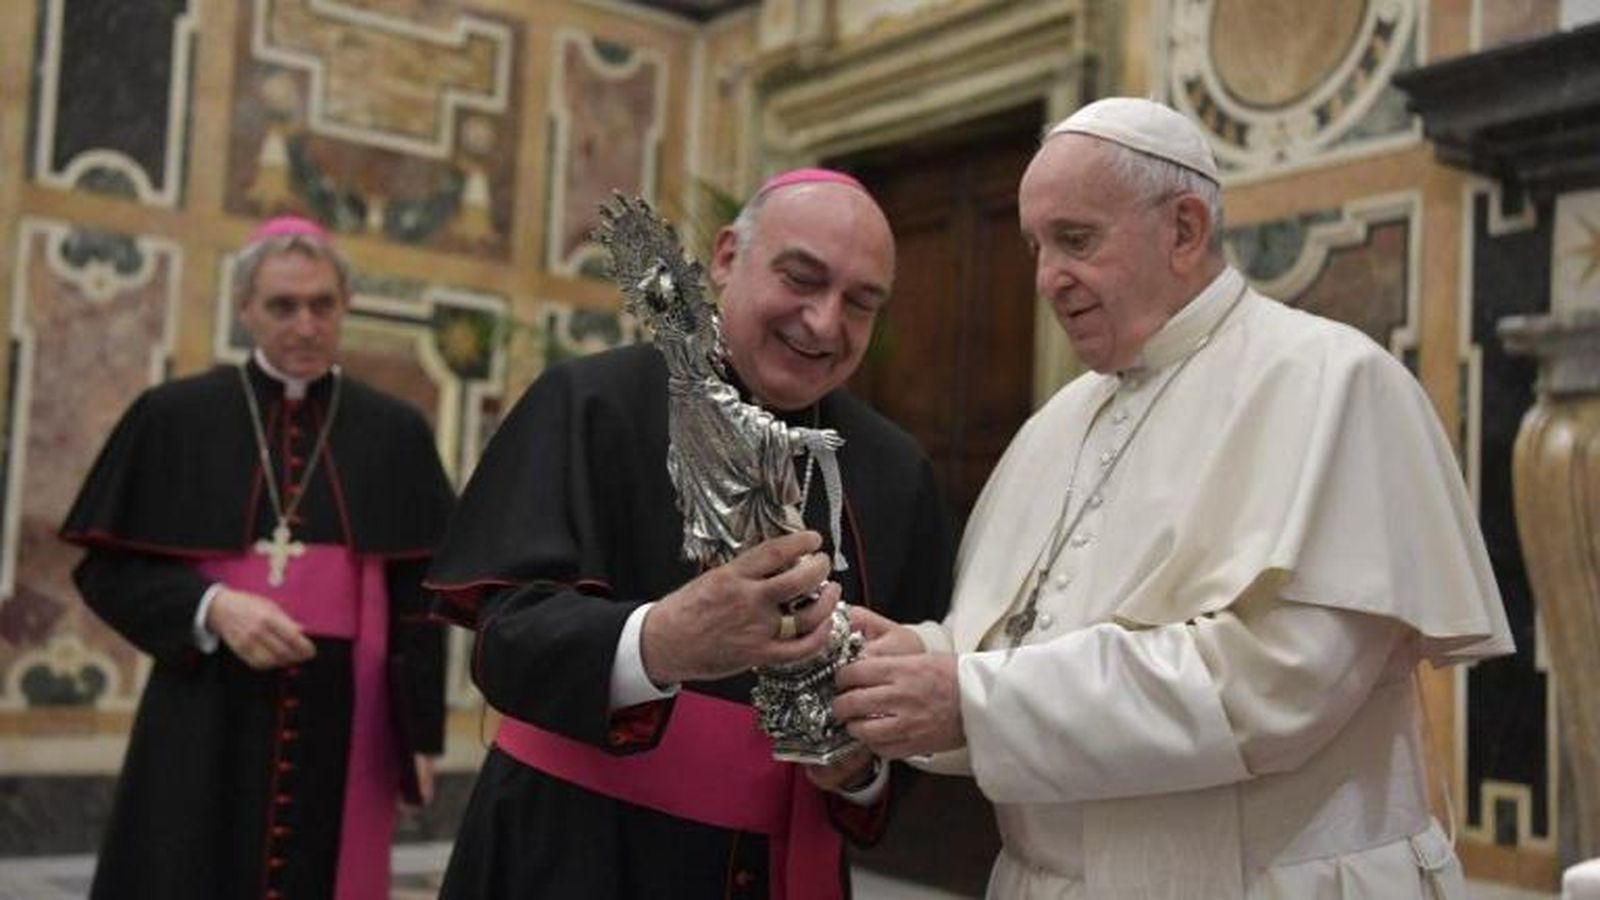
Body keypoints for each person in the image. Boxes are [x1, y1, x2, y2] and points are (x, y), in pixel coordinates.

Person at [832, 97, 1514, 899]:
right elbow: (1016, 637)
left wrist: (969, 699)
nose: (1048, 278)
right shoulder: (1056, 424)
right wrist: (918, 664)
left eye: (1076, 239)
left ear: (1185, 230)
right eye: (1036, 246)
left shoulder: (1333, 384)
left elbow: (1275, 684)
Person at [426, 169, 955, 899]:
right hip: (569, 855)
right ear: (729, 257)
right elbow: (503, 639)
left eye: (861, 303)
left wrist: (861, 772)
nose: (826, 324)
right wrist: (663, 639)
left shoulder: (897, 473)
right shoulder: (589, 404)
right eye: (801, 279)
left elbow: (916, 707)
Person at [61, 217, 454, 900]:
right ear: (244, 309)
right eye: (282, 306)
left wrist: (419, 735)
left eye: (322, 305)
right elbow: (105, 570)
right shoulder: (174, 416)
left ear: (345, 305)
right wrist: (211, 608)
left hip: (346, 718)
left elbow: (418, 597)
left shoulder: (395, 432)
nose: (305, 325)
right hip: (205, 704)